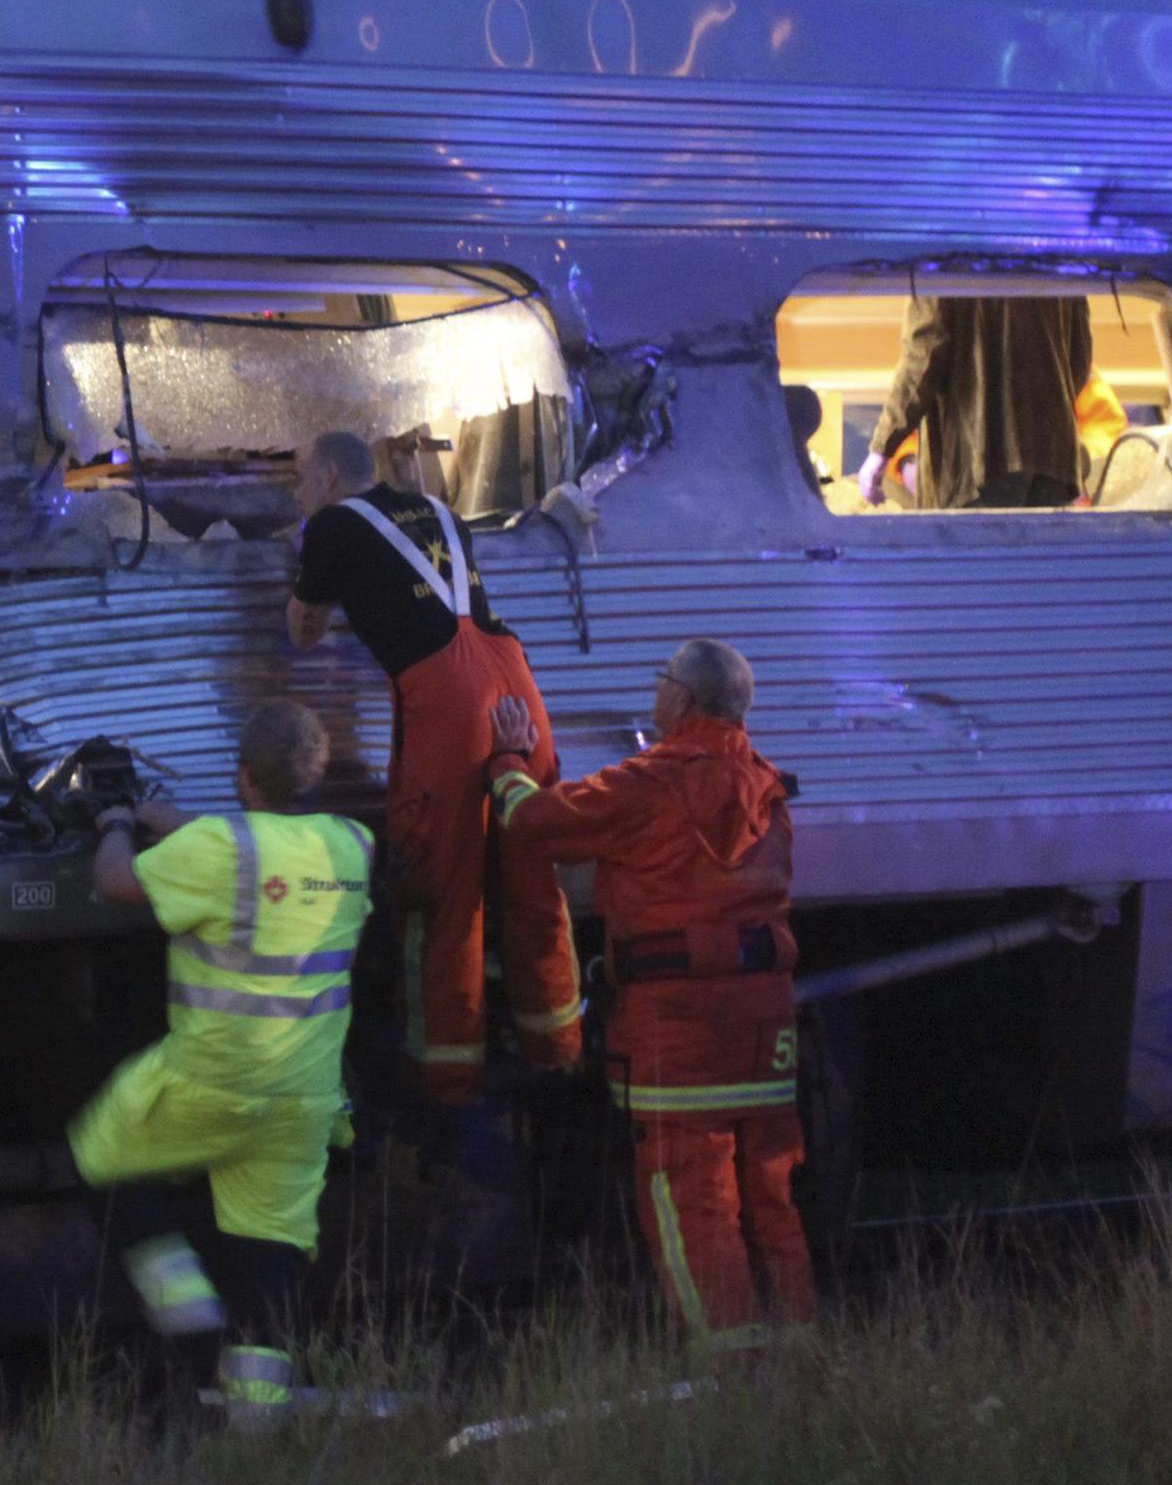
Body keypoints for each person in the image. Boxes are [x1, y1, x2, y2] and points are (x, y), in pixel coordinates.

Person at [486, 639, 815, 1357]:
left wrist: (507, 764)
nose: (654, 690)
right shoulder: (768, 787)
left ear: (684, 699)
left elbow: (535, 823)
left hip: (678, 1024)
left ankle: (734, 1371)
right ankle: (798, 1354)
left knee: (689, 1193)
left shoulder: (650, 782)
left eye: (660, 678)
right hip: (764, 1018)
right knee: (770, 1191)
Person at [71, 699, 374, 1424]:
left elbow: (118, 882)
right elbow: (262, 850)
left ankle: (192, 1322)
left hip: (210, 1084)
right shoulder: (354, 844)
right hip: (305, 1100)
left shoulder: (216, 851)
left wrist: (115, 823)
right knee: (270, 1269)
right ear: (318, 774)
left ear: (243, 779)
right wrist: (179, 821)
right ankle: (256, 1437)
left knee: (103, 1161)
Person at [286, 430, 581, 1122]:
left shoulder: (328, 524)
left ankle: (446, 1083)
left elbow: (300, 633)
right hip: (514, 683)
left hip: (444, 700)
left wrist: (297, 558)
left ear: (329, 475)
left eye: (299, 477)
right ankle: (558, 1047)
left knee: (443, 888)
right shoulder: (436, 508)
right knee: (530, 876)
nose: (295, 492)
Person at [860, 291, 1090, 511]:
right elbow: (1080, 357)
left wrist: (882, 448)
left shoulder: (937, 254)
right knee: (1037, 552)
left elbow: (923, 358)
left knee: (975, 551)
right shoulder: (1058, 252)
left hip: (978, 462)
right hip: (1053, 462)